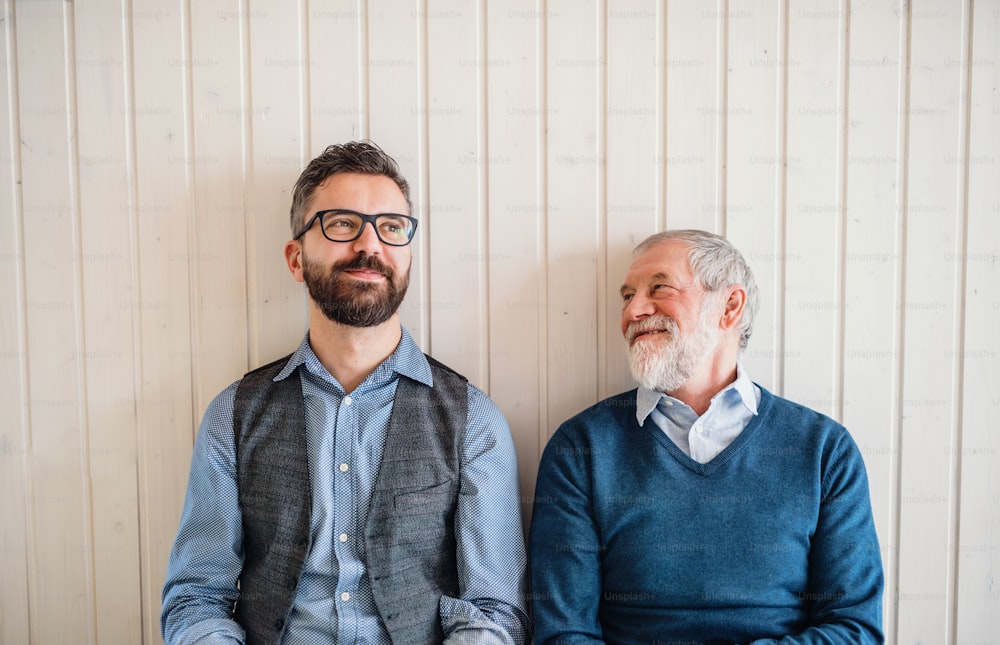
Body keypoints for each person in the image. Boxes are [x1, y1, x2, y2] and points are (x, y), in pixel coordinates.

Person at [162, 140, 530, 645]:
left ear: (407, 257)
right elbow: (195, 598)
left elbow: (494, 609)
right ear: (295, 258)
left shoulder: (474, 420)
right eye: (341, 224)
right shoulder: (234, 415)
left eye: (390, 227)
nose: (369, 245)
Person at [529, 229, 883, 644]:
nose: (634, 311)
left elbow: (854, 628)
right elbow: (564, 634)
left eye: (659, 288)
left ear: (729, 307)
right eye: (627, 296)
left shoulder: (824, 450)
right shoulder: (581, 448)